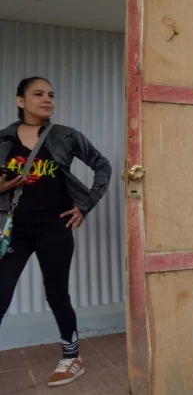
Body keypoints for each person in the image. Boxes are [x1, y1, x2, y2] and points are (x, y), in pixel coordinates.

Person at [0, 77, 111, 387]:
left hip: (55, 227)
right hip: (14, 231)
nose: (47, 99)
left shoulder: (65, 136)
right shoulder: (3, 139)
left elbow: (102, 164)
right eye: (38, 94)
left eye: (50, 94)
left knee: (57, 294)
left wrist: (86, 204)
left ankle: (72, 357)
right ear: (20, 101)